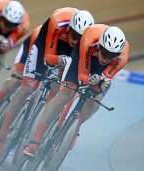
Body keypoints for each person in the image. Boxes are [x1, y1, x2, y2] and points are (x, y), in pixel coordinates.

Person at [0, 7, 95, 157]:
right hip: (46, 46)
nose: (76, 40)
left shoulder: (88, 41)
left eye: (80, 38)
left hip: (70, 54)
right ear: (69, 28)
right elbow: (47, 58)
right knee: (26, 89)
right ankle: (1, 136)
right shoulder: (58, 21)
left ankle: (37, 132)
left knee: (61, 91)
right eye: (74, 35)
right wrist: (58, 60)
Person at [23, 24, 130, 159]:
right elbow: (82, 76)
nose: (106, 58)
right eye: (105, 53)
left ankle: (75, 127)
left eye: (111, 56)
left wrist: (99, 86)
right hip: (82, 57)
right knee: (65, 94)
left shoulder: (122, 57)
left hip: (100, 70)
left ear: (118, 55)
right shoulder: (90, 39)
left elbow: (104, 81)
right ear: (100, 46)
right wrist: (89, 81)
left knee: (96, 99)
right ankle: (34, 143)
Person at [0, 25, 41, 121]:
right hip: (30, 52)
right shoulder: (42, 33)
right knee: (17, 80)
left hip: (48, 61)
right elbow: (32, 59)